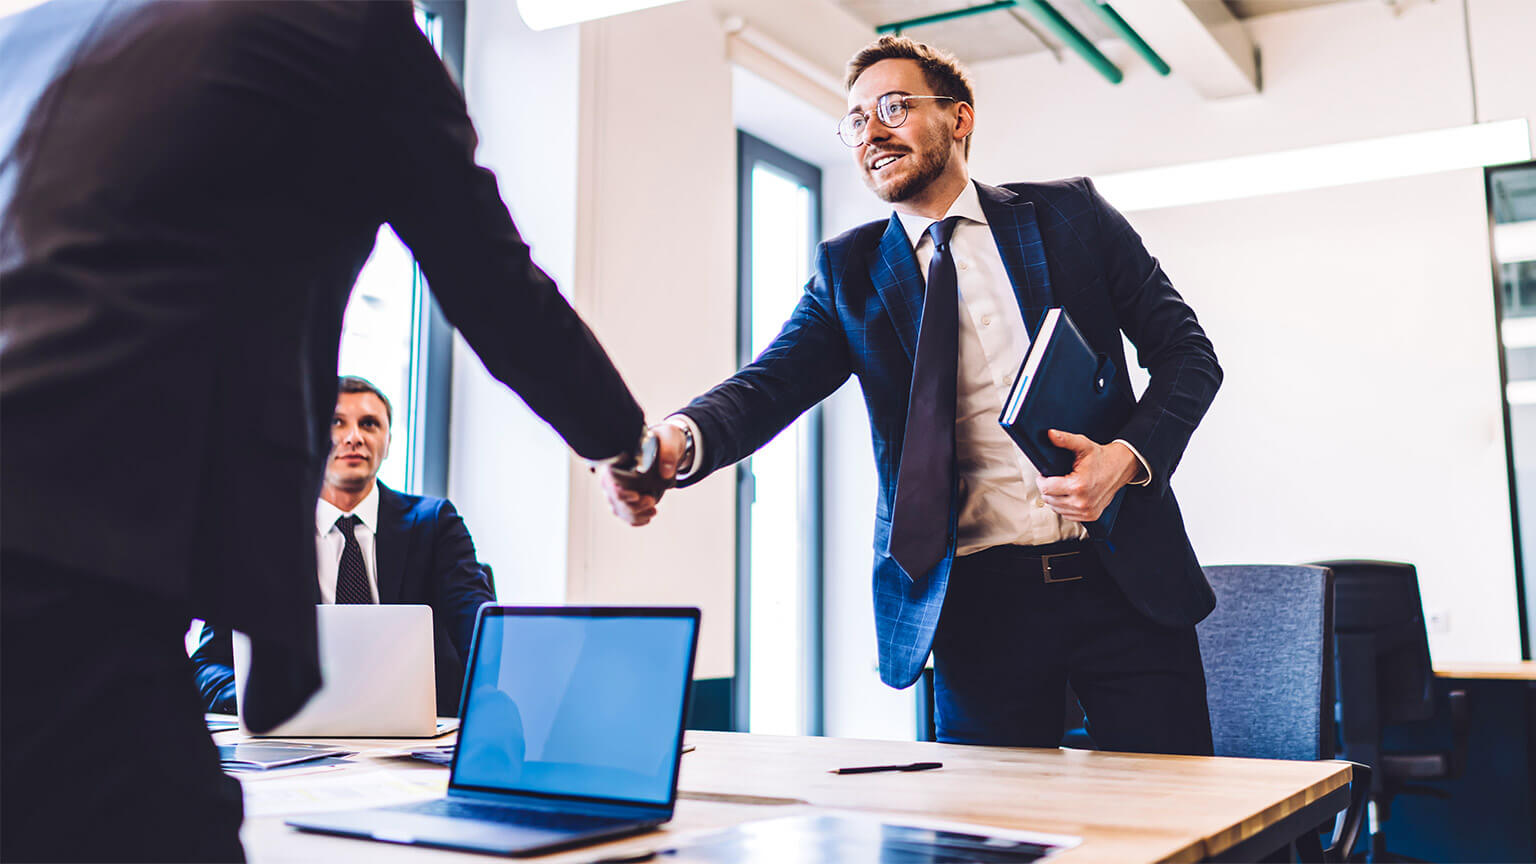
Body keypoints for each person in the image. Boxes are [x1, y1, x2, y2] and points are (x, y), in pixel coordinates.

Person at [0, 3, 650, 861]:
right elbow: (491, 281)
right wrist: (624, 443)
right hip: (74, 558)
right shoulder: (347, 30)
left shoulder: (47, 28)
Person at [604, 35, 1222, 756]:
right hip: (978, 607)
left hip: (1123, 581)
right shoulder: (850, 274)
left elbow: (1187, 356)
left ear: (959, 119)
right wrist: (672, 442)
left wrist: (1125, 457)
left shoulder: (1071, 218)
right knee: (995, 837)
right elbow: (766, 387)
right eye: (857, 118)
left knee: (1175, 815)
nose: (871, 130)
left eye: (893, 106)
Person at [192, 377, 495, 718]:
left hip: (413, 730)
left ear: (389, 441)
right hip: (299, 733)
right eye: (336, 422)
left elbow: (482, 639)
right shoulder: (265, 531)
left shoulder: (436, 524)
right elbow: (207, 664)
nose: (354, 437)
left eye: (369, 424)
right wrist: (257, 701)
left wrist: (484, 702)